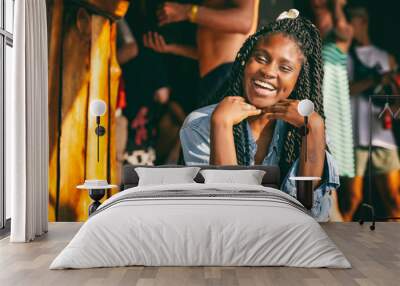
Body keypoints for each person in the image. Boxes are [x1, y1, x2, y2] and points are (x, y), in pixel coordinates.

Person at [179, 9, 340, 221]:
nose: (269, 72)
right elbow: (227, 210)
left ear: (298, 79)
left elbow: (309, 210)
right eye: (261, 58)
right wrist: (221, 125)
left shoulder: (306, 129)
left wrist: (314, 129)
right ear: (246, 60)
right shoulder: (200, 125)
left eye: (285, 67)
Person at [143, 0, 259, 106]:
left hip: (228, 74)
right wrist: (171, 48)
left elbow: (244, 21)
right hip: (213, 77)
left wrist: (187, 11)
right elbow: (209, 51)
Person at [343, 6, 400, 220]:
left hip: (382, 135)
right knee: (350, 201)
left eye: (351, 21)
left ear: (363, 21)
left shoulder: (387, 58)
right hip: (354, 138)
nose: (347, 27)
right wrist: (376, 79)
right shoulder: (342, 56)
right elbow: (345, 90)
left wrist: (394, 107)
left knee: (394, 199)